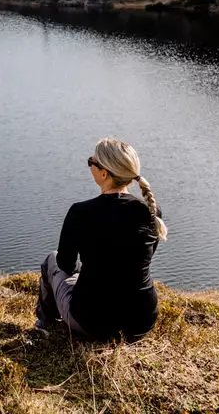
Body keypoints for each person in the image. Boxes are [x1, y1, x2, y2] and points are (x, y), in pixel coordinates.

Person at [35, 137, 167, 342]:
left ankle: (45, 325)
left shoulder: (81, 212)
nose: (89, 165)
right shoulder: (151, 211)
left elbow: (66, 265)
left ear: (104, 173)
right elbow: (137, 261)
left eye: (92, 162)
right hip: (141, 323)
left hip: (92, 323)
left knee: (51, 260)